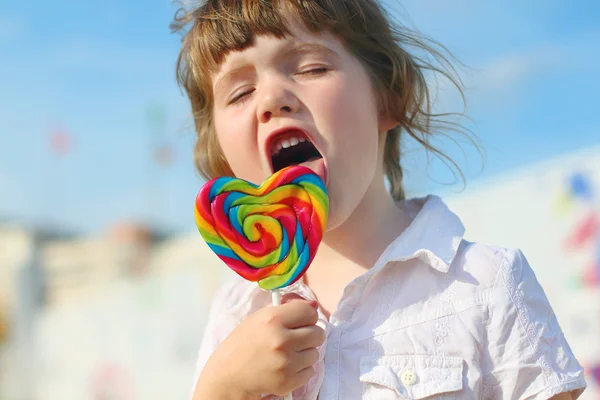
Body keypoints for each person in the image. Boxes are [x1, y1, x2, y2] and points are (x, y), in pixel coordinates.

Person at [171, 0, 587, 399]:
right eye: (240, 93)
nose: (270, 99)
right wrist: (222, 389)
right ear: (222, 152)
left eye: (311, 67)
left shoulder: (486, 284)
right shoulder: (235, 311)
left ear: (388, 98)